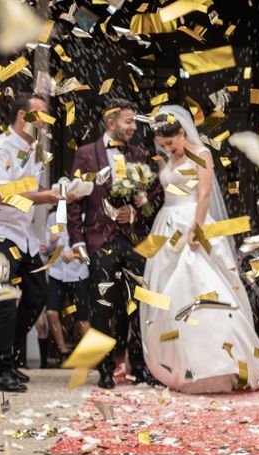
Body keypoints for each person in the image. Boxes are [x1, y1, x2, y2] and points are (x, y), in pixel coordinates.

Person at [138, 105, 259, 393]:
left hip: (193, 224)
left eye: (171, 143)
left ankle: (219, 364)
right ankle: (178, 367)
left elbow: (202, 195)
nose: (168, 149)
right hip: (165, 227)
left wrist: (197, 229)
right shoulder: (165, 162)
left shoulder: (201, 155)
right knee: (165, 296)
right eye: (162, 145)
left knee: (201, 290)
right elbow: (163, 193)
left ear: (181, 132)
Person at [0, 93, 67, 393]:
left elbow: (31, 189)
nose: (43, 119)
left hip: (23, 234)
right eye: (38, 113)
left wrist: (58, 191)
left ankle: (11, 357)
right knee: (2, 297)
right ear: (22, 115)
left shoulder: (35, 151)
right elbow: (4, 195)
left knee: (37, 294)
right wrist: (48, 196)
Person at [67, 98, 163, 389]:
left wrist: (137, 209)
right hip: (100, 241)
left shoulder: (141, 155)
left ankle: (140, 366)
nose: (134, 127)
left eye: (134, 121)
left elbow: (156, 196)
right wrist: (77, 240)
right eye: (129, 121)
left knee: (141, 306)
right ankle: (104, 369)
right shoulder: (85, 155)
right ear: (111, 123)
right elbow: (74, 201)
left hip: (136, 241)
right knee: (102, 307)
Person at [37, 209, 90, 368]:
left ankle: (88, 357)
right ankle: (63, 352)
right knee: (51, 312)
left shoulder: (83, 217)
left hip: (79, 273)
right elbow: (48, 248)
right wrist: (49, 244)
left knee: (82, 319)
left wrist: (74, 256)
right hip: (57, 272)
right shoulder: (53, 218)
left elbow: (90, 250)